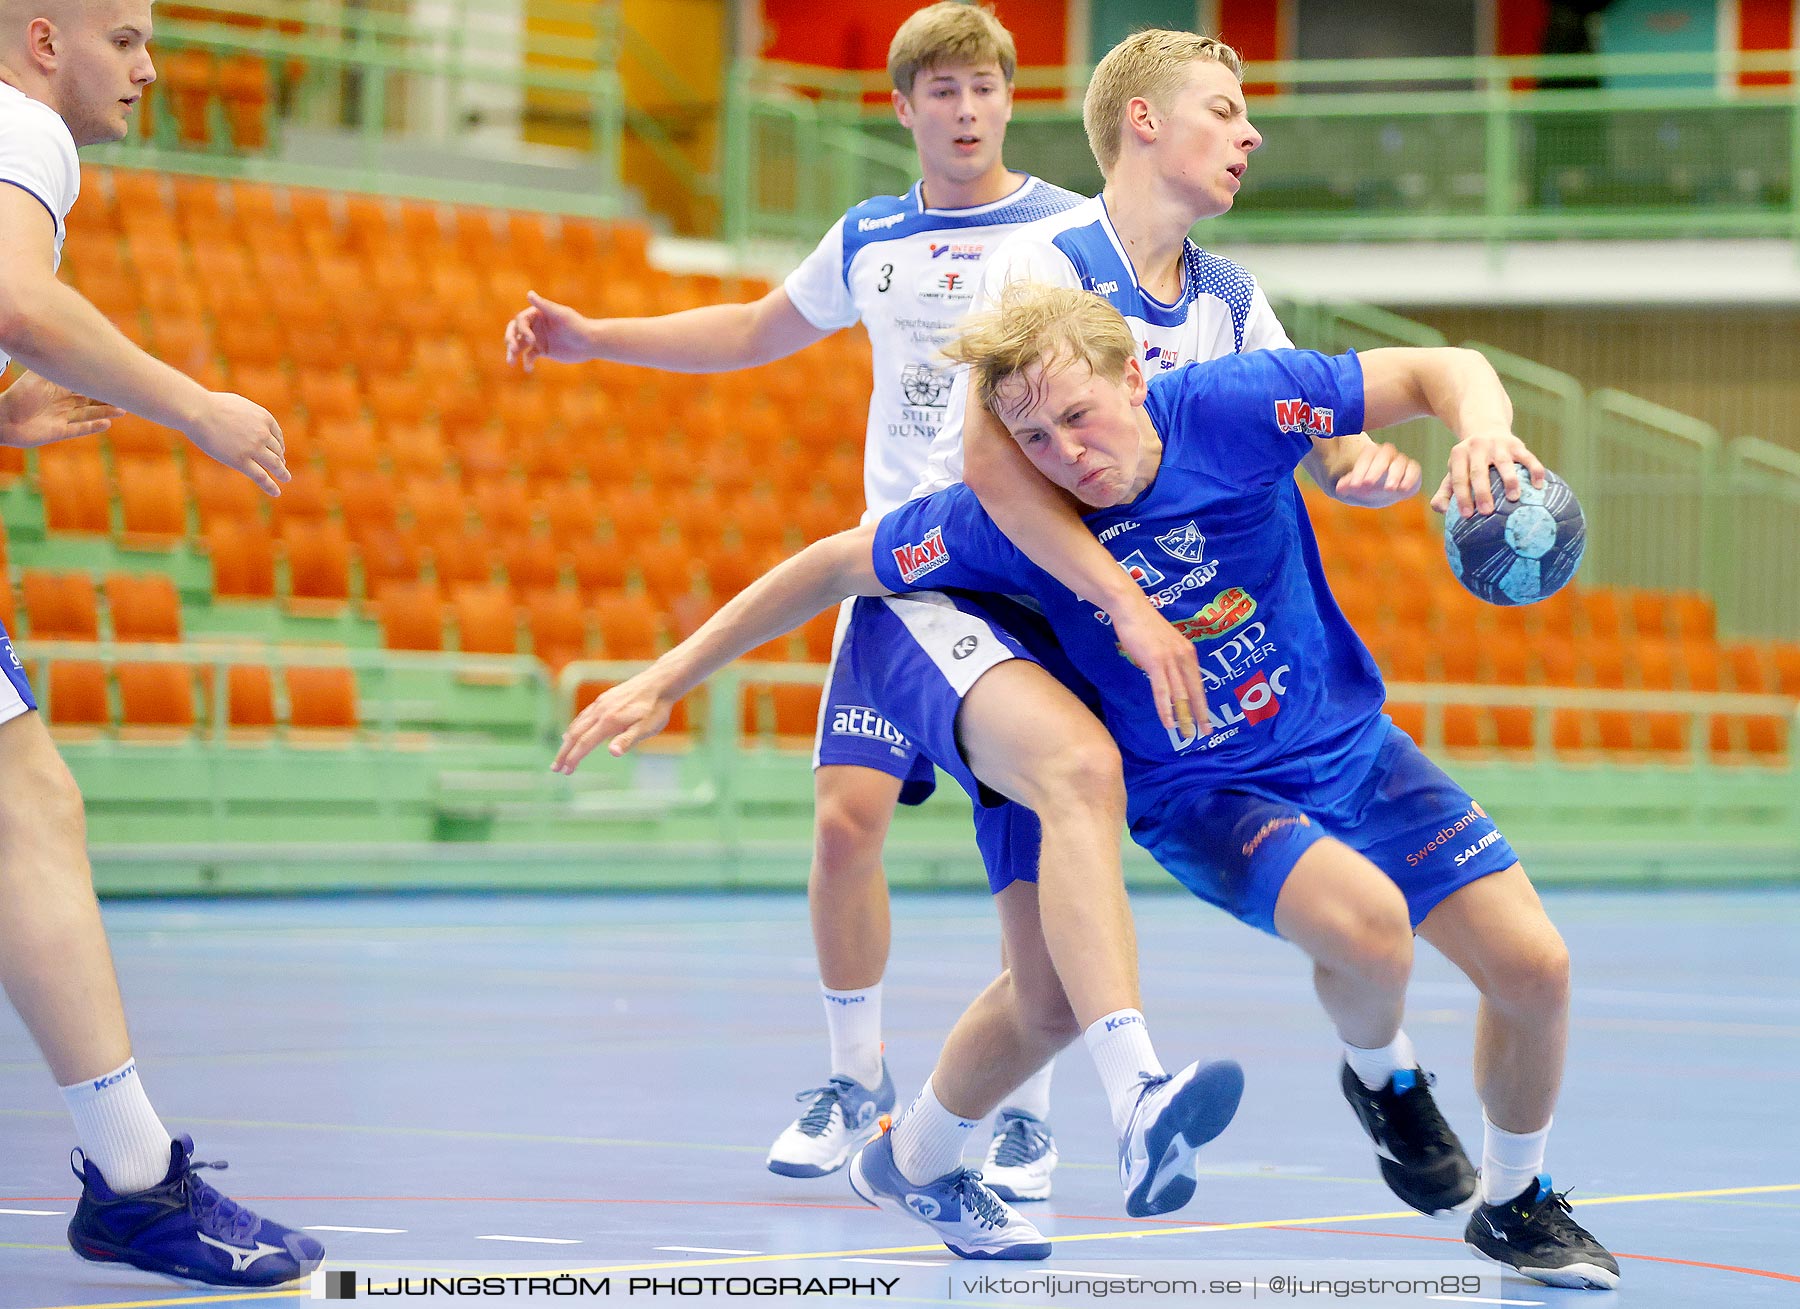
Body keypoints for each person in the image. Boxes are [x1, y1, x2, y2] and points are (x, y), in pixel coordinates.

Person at [555, 284, 1620, 1291]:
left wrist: (1480, 425)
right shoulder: (1012, 526)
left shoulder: (1240, 408)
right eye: (1033, 440)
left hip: (1351, 740)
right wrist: (661, 680)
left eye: (1078, 415)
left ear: (1134, 380)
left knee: (1536, 969)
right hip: (1206, 794)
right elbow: (837, 565)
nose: (1068, 454)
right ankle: (1386, 1082)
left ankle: (1515, 1201)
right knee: (1373, 930)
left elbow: (1447, 367)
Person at [505, 2, 1107, 1194]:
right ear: (904, 109)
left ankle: (1024, 1103)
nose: (969, 109)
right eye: (943, 90)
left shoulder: (1072, 232)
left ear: (1010, 99)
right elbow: (745, 328)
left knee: (1030, 845)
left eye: (986, 87)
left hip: (1023, 577)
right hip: (890, 573)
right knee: (843, 819)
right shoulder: (868, 237)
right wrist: (593, 337)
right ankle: (854, 1077)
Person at [0, 0, 319, 1287]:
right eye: (123, 39)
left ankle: (134, 1181)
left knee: (31, 811)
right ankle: (134, 1185)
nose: (148, 66)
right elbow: (15, 294)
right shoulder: (26, 128)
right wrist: (195, 406)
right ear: (42, 44)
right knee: (30, 811)